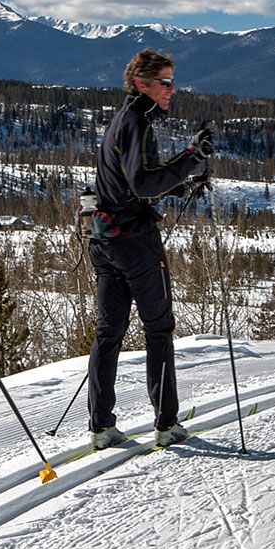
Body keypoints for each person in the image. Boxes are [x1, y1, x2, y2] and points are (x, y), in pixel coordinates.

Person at [85, 49, 213, 449]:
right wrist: (192, 157)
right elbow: (142, 185)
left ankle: (101, 425)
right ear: (142, 83)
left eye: (173, 81)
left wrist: (179, 181)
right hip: (136, 241)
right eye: (166, 82)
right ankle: (166, 423)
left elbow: (132, 182)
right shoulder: (138, 121)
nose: (172, 89)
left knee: (109, 331)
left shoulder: (121, 121)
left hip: (103, 237)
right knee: (158, 329)